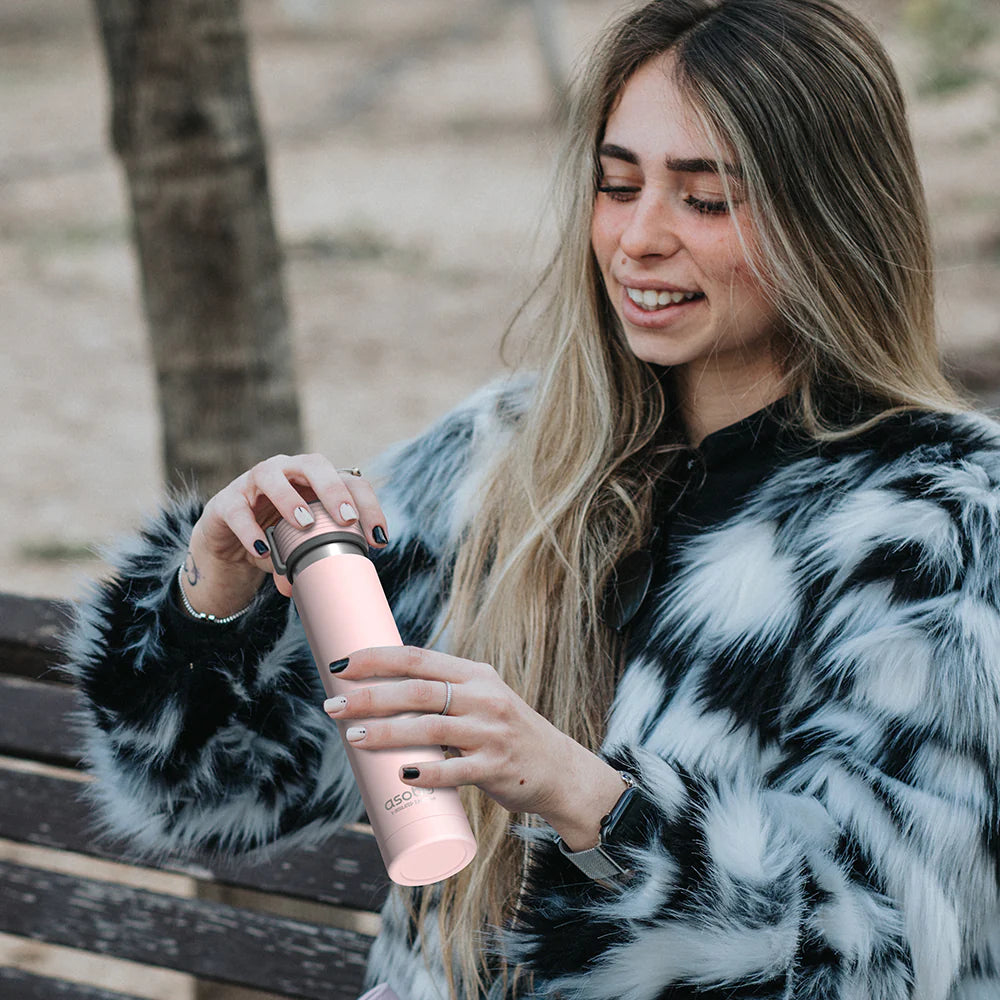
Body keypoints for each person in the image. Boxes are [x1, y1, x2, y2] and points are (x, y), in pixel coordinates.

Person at [65, 0, 1000, 997]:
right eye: (617, 185)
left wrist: (586, 799)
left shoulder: (937, 518)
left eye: (704, 199)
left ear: (832, 220)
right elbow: (205, 796)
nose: (637, 239)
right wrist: (213, 600)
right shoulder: (507, 453)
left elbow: (885, 956)